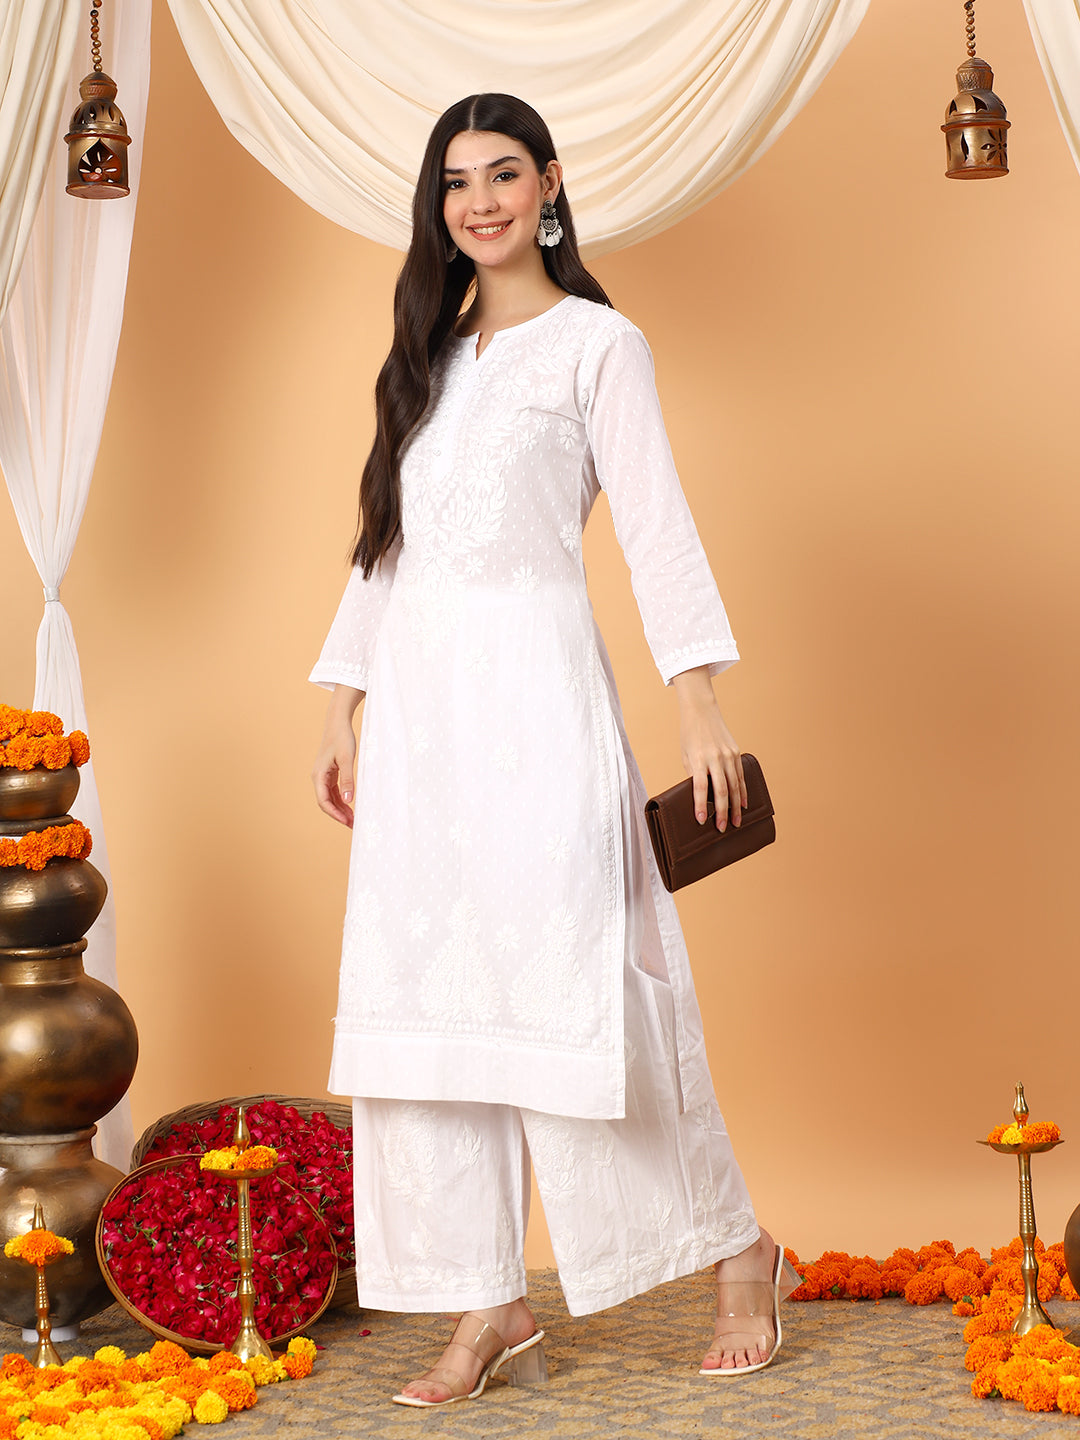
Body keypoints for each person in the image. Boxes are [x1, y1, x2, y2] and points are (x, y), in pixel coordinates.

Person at [310, 93, 793, 1407]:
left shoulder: (599, 344)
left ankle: (737, 1250)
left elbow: (655, 524)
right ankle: (488, 1301)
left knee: (586, 1001)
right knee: (435, 1011)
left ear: (549, 186)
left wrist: (697, 700)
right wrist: (343, 699)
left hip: (538, 711)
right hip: (424, 733)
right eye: (457, 181)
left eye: (504, 174)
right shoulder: (425, 356)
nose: (480, 201)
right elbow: (385, 544)